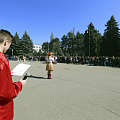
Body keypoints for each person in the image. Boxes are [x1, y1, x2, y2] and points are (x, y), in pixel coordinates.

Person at [0, 29, 27, 120]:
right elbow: (6, 92)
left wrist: (7, 76)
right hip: (2, 111)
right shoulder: (2, 60)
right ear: (5, 42)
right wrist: (19, 84)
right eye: (9, 45)